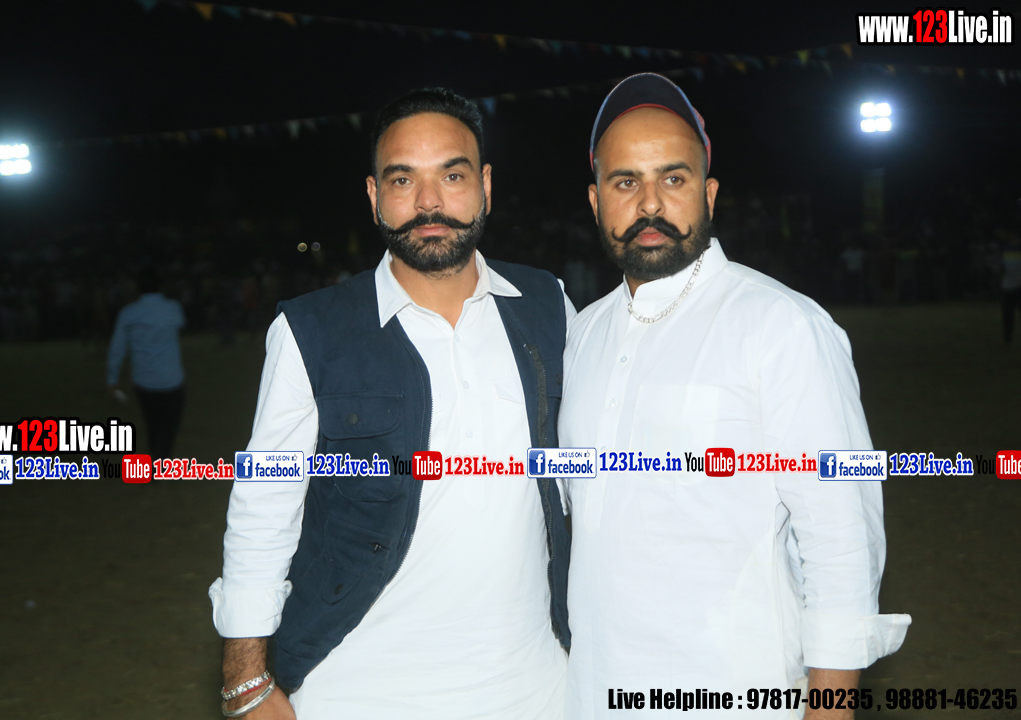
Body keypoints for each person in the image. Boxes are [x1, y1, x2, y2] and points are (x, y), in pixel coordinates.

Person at [208, 88, 575, 720]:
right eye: (403, 180)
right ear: (375, 195)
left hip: (536, 684)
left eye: (452, 176)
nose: (429, 202)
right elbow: (264, 503)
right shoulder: (311, 330)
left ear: (485, 186)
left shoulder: (548, 306)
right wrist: (245, 676)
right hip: (355, 687)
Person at [558, 74, 911, 719]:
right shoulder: (583, 334)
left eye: (673, 178)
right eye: (625, 182)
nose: (650, 204)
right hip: (594, 693)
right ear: (595, 199)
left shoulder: (780, 324)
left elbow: (839, 536)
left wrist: (830, 706)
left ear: (709, 192)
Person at [106, 267, 185, 461]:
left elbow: (117, 348)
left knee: (152, 424)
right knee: (169, 425)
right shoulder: (172, 308)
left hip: (144, 379)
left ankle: (156, 458)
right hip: (171, 378)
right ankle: (163, 460)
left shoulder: (128, 313)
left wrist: (112, 378)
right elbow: (181, 323)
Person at [999, 233, 1021, 343]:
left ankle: (1007, 337)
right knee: (1007, 315)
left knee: (1007, 315)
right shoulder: (1006, 249)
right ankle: (1007, 337)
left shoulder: (1006, 249)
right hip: (1008, 287)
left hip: (1012, 286)